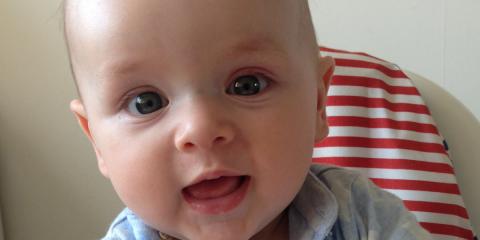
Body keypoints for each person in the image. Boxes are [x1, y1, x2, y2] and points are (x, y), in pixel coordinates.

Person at [63, 0, 432, 239]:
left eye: (247, 85)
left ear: (318, 103)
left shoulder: (366, 220)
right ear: (97, 141)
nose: (200, 129)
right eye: (146, 103)